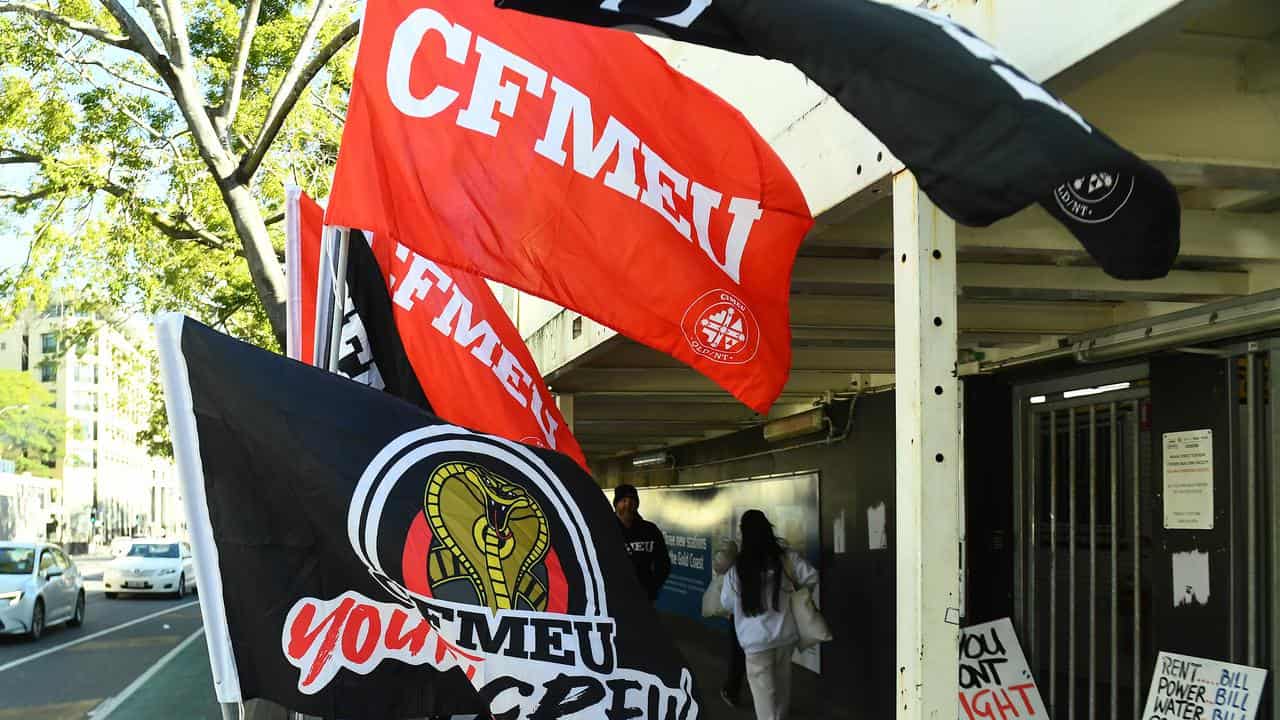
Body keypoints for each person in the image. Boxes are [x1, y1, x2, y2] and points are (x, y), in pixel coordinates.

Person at [720, 509, 818, 720]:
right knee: (782, 694)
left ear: (744, 534)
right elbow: (811, 576)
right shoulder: (785, 559)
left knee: (765, 700)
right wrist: (799, 593)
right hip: (785, 638)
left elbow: (725, 602)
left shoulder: (737, 569)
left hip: (756, 644)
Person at [613, 484, 671, 602]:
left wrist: (652, 586)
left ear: (637, 504)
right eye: (623, 501)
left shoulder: (650, 530)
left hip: (644, 597)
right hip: (615, 598)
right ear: (616, 504)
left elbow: (663, 563)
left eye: (632, 501)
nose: (628, 505)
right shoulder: (606, 531)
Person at [712, 537, 746, 709]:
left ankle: (732, 692)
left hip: (740, 618)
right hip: (773, 623)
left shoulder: (736, 566)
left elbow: (727, 602)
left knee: (738, 656)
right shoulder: (775, 560)